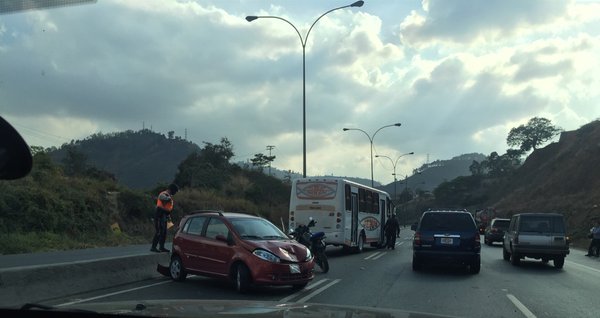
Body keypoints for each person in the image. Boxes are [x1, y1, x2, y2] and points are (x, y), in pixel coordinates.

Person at [150, 183, 179, 253]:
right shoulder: (163, 194)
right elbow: (163, 198)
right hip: (159, 215)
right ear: (171, 190)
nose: (175, 193)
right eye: (175, 191)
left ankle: (161, 247)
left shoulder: (169, 195)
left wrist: (169, 219)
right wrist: (169, 198)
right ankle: (153, 247)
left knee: (164, 232)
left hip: (165, 215)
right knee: (159, 232)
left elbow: (168, 208)